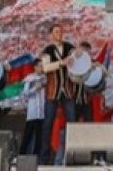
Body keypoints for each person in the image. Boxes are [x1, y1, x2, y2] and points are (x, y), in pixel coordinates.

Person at [38, 23, 76, 164]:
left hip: (67, 90)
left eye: (60, 31)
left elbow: (77, 59)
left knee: (71, 122)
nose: (59, 33)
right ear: (51, 35)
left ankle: (72, 154)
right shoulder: (47, 50)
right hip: (52, 90)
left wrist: (78, 55)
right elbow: (45, 68)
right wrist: (61, 63)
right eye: (56, 31)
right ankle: (44, 157)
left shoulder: (69, 47)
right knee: (47, 124)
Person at [18, 72, 45, 156]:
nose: (40, 68)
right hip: (32, 112)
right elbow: (25, 93)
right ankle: (22, 155)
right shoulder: (29, 78)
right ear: (35, 67)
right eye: (39, 66)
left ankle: (36, 156)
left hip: (41, 113)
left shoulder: (45, 78)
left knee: (39, 136)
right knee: (28, 134)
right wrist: (35, 88)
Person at [70, 41, 94, 122]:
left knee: (89, 122)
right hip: (74, 99)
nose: (85, 53)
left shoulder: (93, 64)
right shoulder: (73, 62)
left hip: (87, 99)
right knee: (72, 123)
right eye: (83, 51)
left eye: (87, 52)